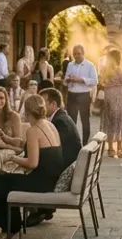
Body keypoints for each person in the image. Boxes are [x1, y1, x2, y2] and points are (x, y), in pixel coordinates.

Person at [0, 94, 65, 239]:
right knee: (5, 180)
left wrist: (12, 158)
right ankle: (12, 227)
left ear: (27, 111)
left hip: (42, 182)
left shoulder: (33, 130)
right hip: (51, 176)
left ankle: (11, 228)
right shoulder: (50, 124)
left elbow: (32, 163)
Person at [27, 88, 83, 227]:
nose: (40, 106)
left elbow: (52, 150)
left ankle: (40, 209)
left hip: (64, 167)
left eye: (42, 102)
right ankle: (42, 208)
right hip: (67, 163)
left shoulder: (60, 121)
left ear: (53, 104)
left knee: (29, 170)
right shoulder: (58, 119)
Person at [63, 44, 99, 142]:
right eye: (74, 54)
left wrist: (81, 80)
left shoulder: (90, 65)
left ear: (83, 54)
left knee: (85, 121)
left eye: (78, 54)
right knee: (71, 121)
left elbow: (95, 81)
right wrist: (68, 80)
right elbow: (65, 80)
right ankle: (73, 142)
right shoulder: (70, 64)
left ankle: (85, 143)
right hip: (72, 95)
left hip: (84, 95)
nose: (76, 56)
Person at [99, 48, 122, 158]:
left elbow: (101, 82)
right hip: (117, 95)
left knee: (112, 120)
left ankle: (111, 148)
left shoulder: (104, 70)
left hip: (113, 95)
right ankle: (119, 148)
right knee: (118, 121)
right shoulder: (117, 70)